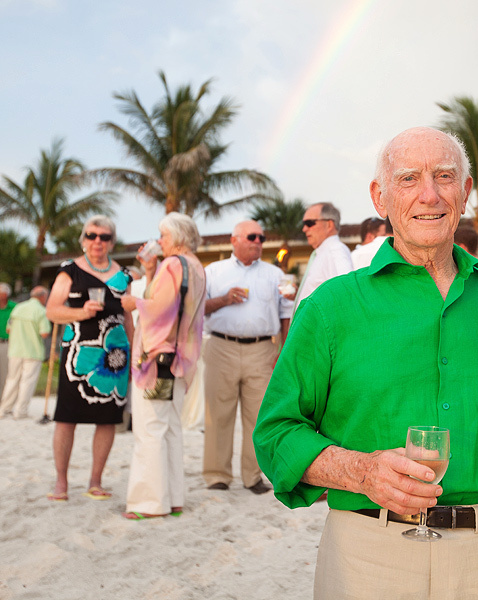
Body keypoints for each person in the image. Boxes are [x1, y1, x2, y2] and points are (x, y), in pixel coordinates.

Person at [254, 127, 478, 599]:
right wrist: (361, 471)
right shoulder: (331, 307)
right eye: (409, 179)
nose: (430, 194)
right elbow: (276, 433)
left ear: (465, 193)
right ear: (380, 198)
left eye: (445, 176)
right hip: (368, 554)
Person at [120, 212, 206, 520]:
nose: (159, 241)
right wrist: (149, 270)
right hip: (181, 361)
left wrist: (134, 304)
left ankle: (149, 503)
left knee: (150, 430)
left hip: (158, 360)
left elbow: (160, 310)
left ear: (179, 237)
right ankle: (173, 499)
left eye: (164, 236)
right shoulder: (196, 266)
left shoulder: (173, 264)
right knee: (169, 429)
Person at [44, 216, 134, 502]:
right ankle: (61, 482)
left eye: (104, 237)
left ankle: (95, 481)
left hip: (115, 355)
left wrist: (133, 351)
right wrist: (81, 312)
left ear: (112, 242)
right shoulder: (69, 271)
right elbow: (52, 311)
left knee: (107, 420)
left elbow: (128, 314)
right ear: (83, 239)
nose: (98, 241)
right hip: (78, 354)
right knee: (65, 418)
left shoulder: (124, 275)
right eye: (92, 235)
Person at [202, 220, 292, 494]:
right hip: (221, 347)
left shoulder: (276, 274)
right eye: (252, 236)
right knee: (218, 414)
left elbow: (286, 313)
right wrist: (224, 300)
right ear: (235, 240)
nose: (258, 242)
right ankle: (217, 475)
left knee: (258, 416)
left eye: (261, 238)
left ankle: (253, 476)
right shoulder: (213, 272)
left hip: (263, 350)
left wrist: (283, 351)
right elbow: (198, 309)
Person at [0, 286, 50, 419]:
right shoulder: (41, 311)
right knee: (27, 381)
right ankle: (20, 411)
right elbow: (44, 333)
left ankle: (4, 409)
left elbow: (9, 329)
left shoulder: (18, 308)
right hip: (32, 351)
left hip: (15, 349)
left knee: (12, 379)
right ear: (42, 297)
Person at [292, 202, 352, 311]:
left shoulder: (336, 250)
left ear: (329, 225)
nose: (304, 229)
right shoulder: (321, 253)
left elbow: (347, 292)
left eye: (309, 223)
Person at [0, 283, 16, 398]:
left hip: (7, 343)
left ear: (6, 295)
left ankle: (3, 398)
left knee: (5, 372)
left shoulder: (15, 307)